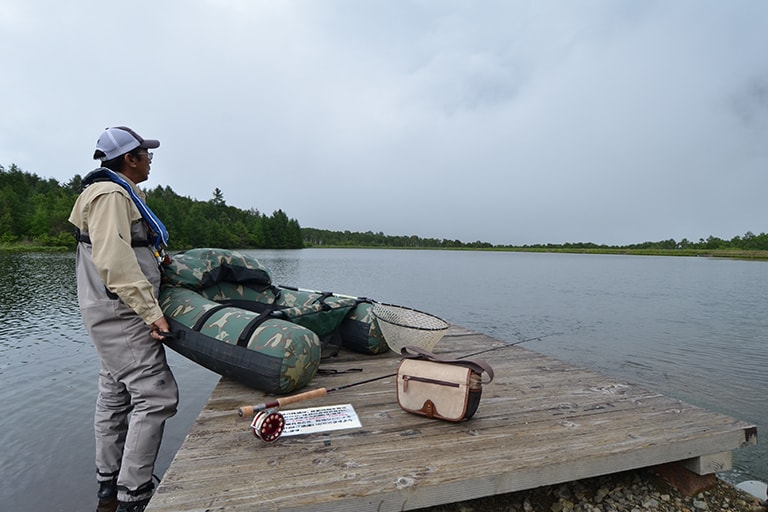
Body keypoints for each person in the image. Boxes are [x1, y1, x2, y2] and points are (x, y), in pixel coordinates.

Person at [69, 126, 179, 512]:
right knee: (156, 395)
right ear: (129, 159)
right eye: (146, 154)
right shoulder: (110, 195)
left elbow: (127, 249)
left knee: (115, 395)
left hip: (109, 310)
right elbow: (114, 261)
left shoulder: (111, 191)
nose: (150, 160)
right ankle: (134, 492)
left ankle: (109, 486)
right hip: (122, 313)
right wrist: (152, 312)